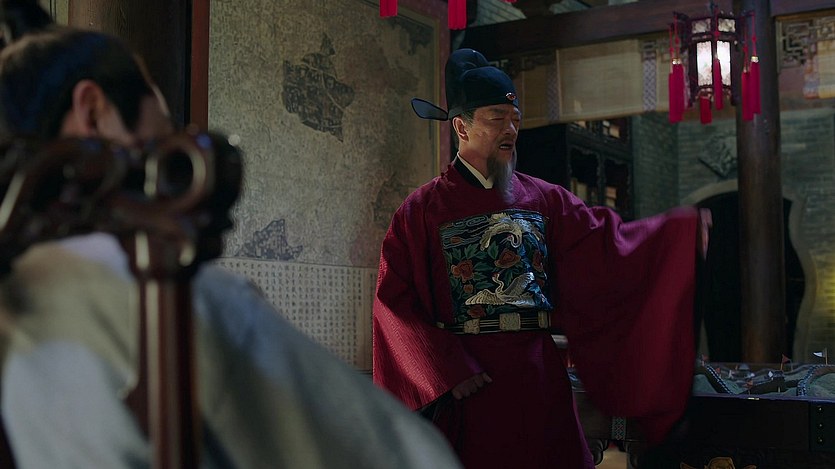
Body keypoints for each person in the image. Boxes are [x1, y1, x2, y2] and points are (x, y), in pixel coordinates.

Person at [0, 2, 462, 468]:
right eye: (163, 132)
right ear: (93, 112)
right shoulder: (165, 290)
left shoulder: (19, 295)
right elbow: (402, 456)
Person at [372, 48, 711, 468]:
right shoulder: (421, 210)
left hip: (539, 378)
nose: (511, 130)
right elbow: (394, 302)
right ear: (462, 126)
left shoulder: (544, 199)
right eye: (497, 118)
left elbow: (607, 246)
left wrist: (676, 235)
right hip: (470, 384)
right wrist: (445, 370)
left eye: (515, 119)